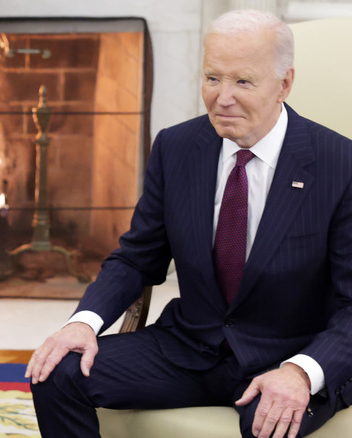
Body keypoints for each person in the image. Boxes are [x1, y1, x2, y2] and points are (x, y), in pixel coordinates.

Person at [26, 9, 352, 438]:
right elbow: (137, 258)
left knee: (269, 426)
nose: (222, 97)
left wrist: (302, 372)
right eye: (212, 78)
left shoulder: (338, 164)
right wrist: (82, 323)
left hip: (287, 355)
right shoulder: (176, 148)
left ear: (284, 84)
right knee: (57, 372)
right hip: (188, 348)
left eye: (243, 82)